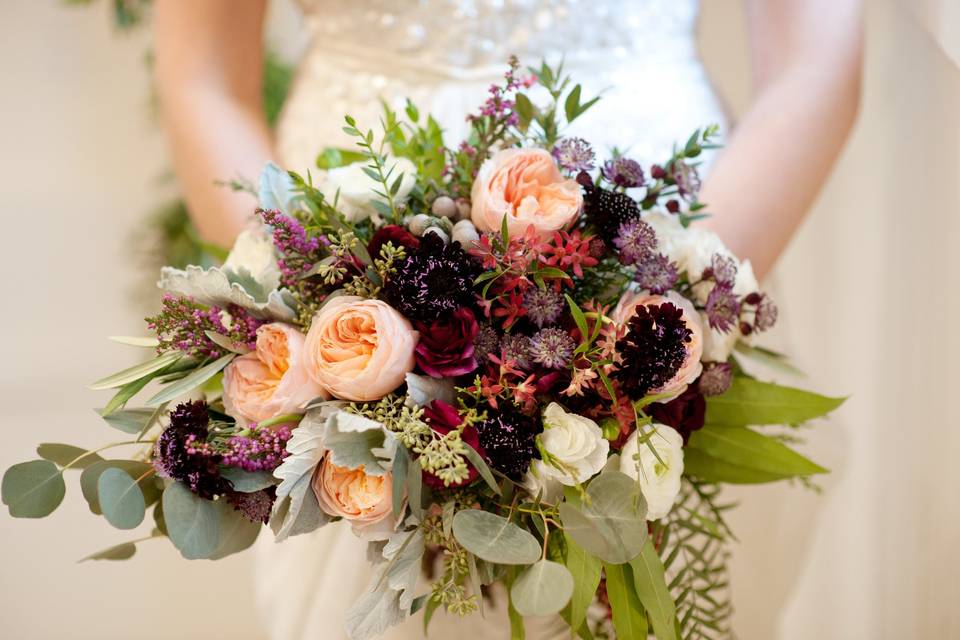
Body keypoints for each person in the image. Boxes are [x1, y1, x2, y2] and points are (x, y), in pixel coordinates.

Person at [153, 1, 863, 638]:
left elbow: (817, 59)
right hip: (341, 273)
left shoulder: (670, 304)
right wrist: (318, 323)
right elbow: (203, 79)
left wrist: (669, 319)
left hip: (676, 237)